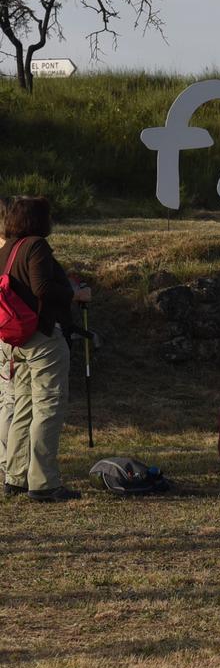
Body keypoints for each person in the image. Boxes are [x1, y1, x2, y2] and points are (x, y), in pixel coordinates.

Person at [0, 196, 88, 502]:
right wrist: (73, 294)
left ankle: (15, 476)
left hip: (14, 338)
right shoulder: (36, 246)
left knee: (23, 406)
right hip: (42, 337)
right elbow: (42, 289)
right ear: (39, 219)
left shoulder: (7, 248)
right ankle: (44, 482)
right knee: (48, 406)